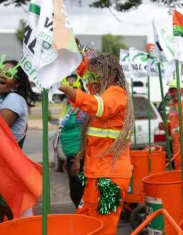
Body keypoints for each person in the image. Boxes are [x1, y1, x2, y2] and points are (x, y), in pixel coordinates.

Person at [59, 53, 134, 235]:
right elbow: (87, 70)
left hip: (110, 177)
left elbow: (100, 107)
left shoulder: (116, 93)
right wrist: (75, 51)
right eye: (89, 76)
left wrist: (71, 92)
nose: (90, 81)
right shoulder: (103, 90)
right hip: (96, 174)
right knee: (86, 221)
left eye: (94, 76)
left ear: (109, 74)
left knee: (103, 229)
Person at [0, 55, 37, 233]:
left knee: (17, 224)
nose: (0, 75)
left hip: (8, 173)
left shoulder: (14, 99)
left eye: (8, 73)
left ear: (17, 83)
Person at [58, 74, 86, 208]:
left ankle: (87, 223)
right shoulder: (67, 105)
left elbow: (86, 134)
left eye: (74, 86)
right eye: (67, 86)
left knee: (79, 195)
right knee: (76, 195)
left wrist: (77, 160)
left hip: (79, 156)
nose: (70, 89)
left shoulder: (82, 106)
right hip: (71, 155)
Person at [159, 80, 183, 170]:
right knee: (179, 170)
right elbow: (174, 122)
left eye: (174, 90)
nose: (172, 93)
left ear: (182, 91)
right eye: (170, 91)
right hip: (176, 144)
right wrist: (165, 125)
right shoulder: (172, 104)